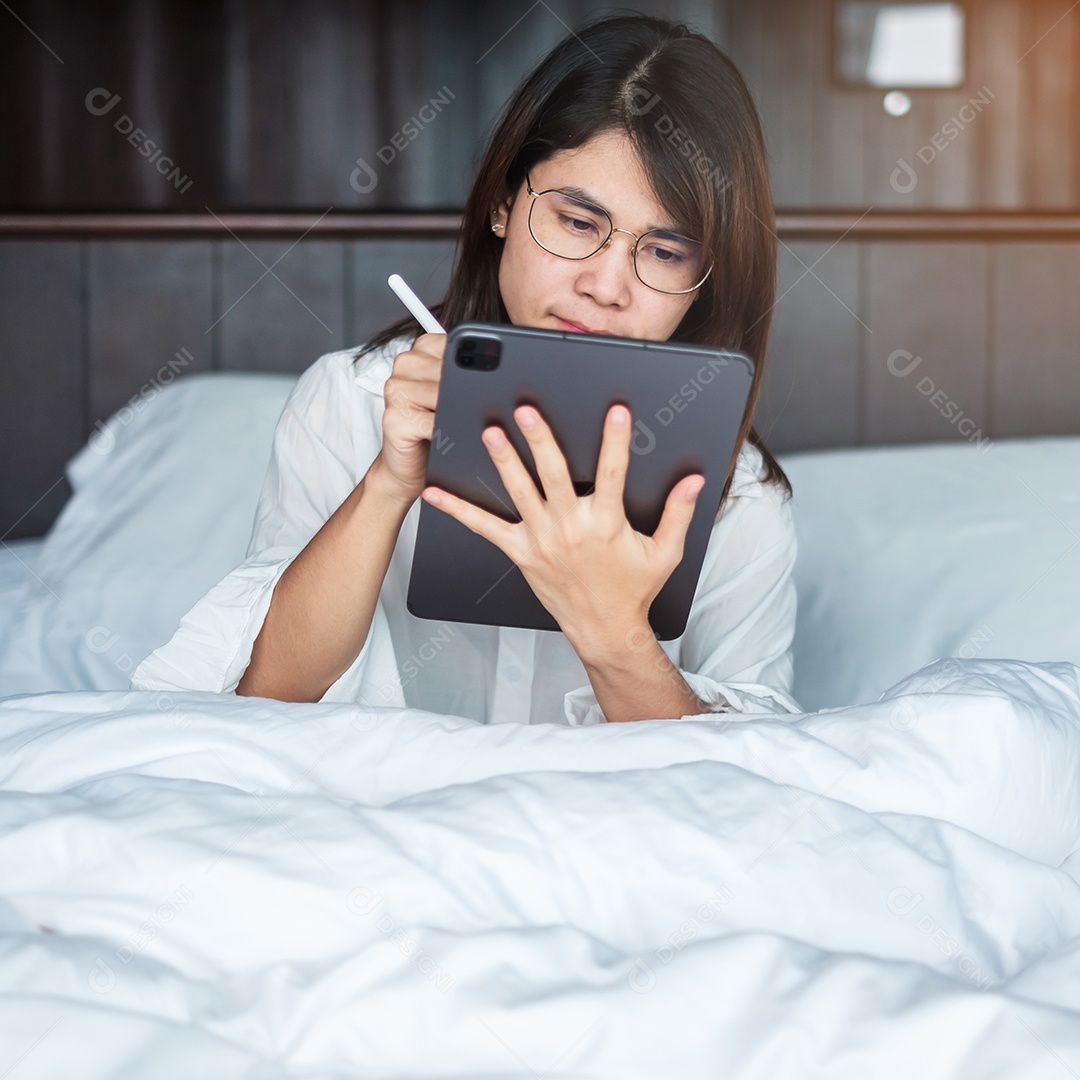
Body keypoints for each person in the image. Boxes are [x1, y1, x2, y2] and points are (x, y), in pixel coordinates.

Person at [131, 13, 802, 725]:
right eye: (578, 222)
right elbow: (266, 699)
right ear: (504, 204)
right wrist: (390, 483)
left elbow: (738, 781)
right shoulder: (351, 401)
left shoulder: (741, 498)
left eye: (666, 252)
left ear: (709, 281)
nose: (607, 286)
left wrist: (615, 636)